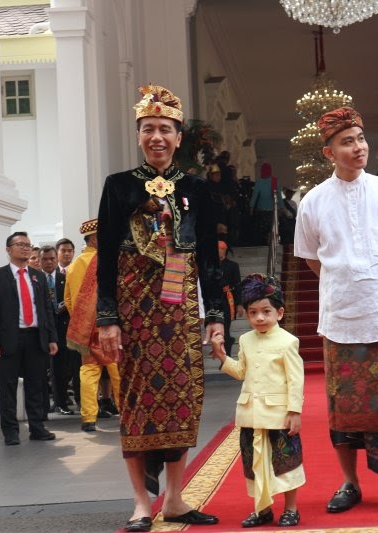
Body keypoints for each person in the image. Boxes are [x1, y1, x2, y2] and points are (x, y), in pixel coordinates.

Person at [95, 84, 223, 532]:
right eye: (148, 129)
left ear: (179, 137)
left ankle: (174, 499)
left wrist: (217, 319)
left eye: (165, 129)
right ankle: (140, 504)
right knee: (135, 404)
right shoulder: (117, 187)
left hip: (180, 313)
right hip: (133, 314)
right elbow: (106, 258)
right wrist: (107, 319)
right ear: (138, 135)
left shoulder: (197, 189)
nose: (157, 137)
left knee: (181, 403)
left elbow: (208, 257)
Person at [294, 107, 378, 514]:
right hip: (343, 320)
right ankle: (350, 483)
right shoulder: (313, 201)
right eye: (347, 141)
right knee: (344, 409)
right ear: (329, 151)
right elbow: (311, 258)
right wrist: (346, 281)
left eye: (361, 138)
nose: (358, 147)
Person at [210, 274, 304, 528]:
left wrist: (294, 411)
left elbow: (296, 380)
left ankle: (291, 509)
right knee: (254, 464)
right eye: (253, 313)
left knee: (286, 463)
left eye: (266, 311)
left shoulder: (288, 341)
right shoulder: (245, 340)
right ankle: (262, 509)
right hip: (251, 414)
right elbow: (241, 372)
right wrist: (221, 356)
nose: (259, 318)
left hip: (279, 416)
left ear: (279, 312)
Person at [0, 232, 58, 445]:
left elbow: (46, 310)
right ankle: (11, 431)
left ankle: (37, 427)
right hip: (8, 340)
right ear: (8, 249)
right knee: (7, 387)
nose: (25, 248)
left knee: (36, 385)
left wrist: (52, 338)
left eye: (28, 245)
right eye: (20, 244)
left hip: (36, 338)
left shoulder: (38, 276)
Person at [65, 218, 121, 432]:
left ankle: (88, 418)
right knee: (117, 369)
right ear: (96, 238)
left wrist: (81, 320)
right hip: (108, 325)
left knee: (88, 370)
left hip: (85, 328)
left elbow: (69, 300)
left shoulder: (73, 266)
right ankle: (126, 413)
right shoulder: (106, 261)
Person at [39, 245, 75, 416]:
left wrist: (65, 306)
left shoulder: (65, 278)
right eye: (45, 259)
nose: (49, 262)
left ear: (56, 259)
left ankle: (61, 403)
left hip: (61, 328)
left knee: (60, 367)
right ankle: (43, 405)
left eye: (52, 259)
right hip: (40, 330)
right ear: (39, 260)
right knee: (40, 369)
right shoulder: (35, 279)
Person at [218, 240, 242, 356]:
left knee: (225, 328)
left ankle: (226, 355)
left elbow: (237, 286)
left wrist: (239, 304)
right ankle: (225, 347)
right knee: (218, 329)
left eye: (220, 249)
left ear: (224, 251)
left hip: (227, 299)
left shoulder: (233, 266)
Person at [250, 162, 282, 245]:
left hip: (261, 211)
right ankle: (270, 242)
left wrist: (251, 207)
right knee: (271, 228)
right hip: (273, 210)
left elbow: (254, 196)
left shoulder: (259, 182)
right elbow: (279, 196)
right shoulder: (275, 181)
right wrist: (281, 208)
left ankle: (263, 243)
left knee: (262, 229)